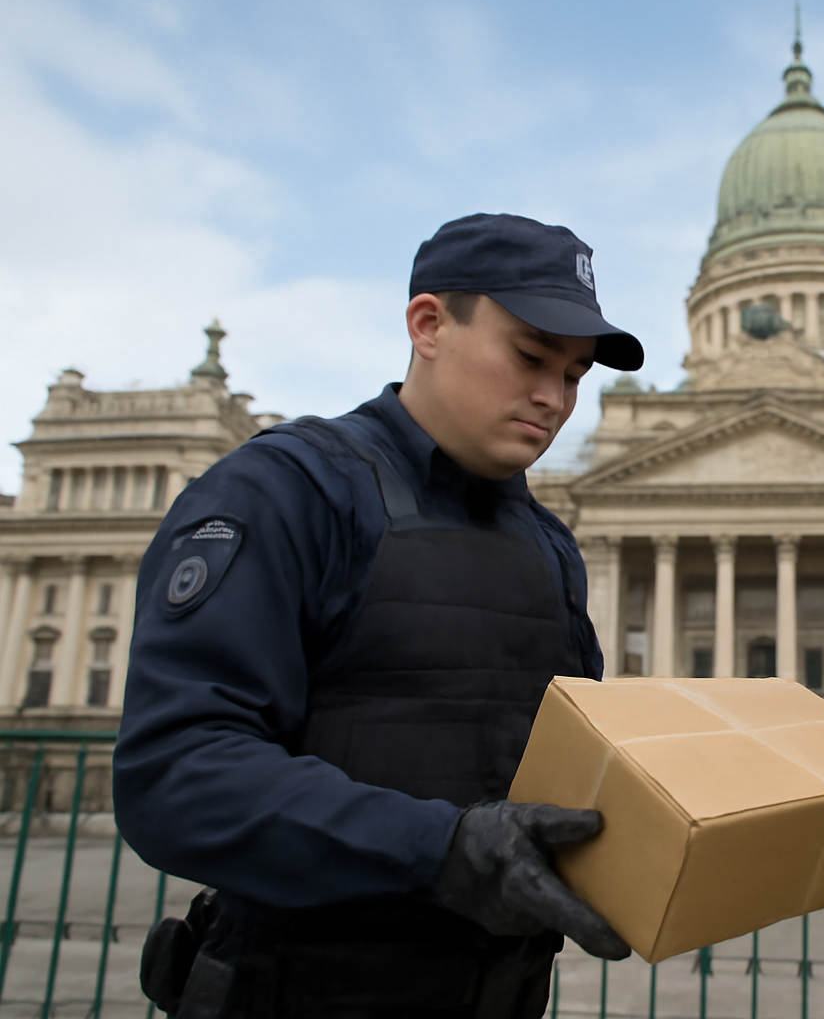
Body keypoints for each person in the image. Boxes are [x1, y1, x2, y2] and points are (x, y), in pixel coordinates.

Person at [114, 213, 643, 1019]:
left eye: (573, 375)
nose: (554, 399)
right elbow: (176, 775)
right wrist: (442, 850)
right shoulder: (284, 491)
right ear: (428, 325)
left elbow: (576, 768)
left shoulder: (548, 544)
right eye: (531, 357)